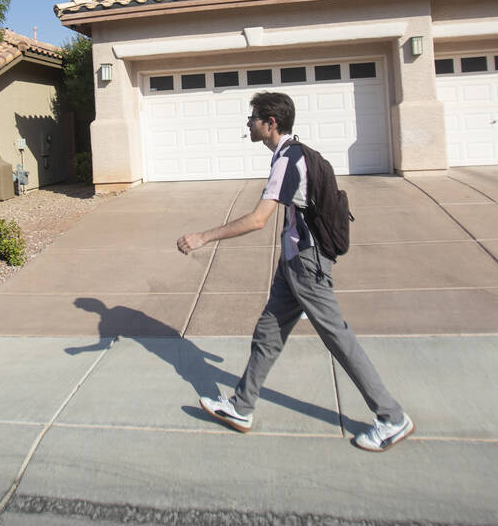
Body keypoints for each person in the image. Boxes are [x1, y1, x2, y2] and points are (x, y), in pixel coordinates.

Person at [176, 91, 413, 452]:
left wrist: (203, 237)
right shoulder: (292, 153)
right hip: (293, 263)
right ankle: (241, 406)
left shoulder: (288, 160)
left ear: (271, 124)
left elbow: (258, 219)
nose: (248, 123)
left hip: (307, 264)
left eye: (253, 117)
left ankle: (391, 417)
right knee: (268, 333)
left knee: (339, 339)